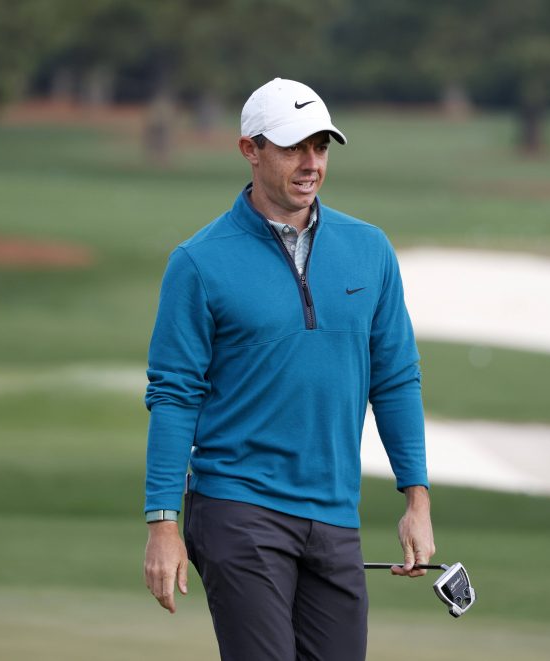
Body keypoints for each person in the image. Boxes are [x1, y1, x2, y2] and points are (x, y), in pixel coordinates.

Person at [143, 78, 434, 660]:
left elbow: (396, 378)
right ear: (250, 148)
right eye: (294, 147)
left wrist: (416, 499)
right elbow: (174, 396)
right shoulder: (199, 262)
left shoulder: (369, 249)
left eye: (321, 147)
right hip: (236, 506)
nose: (311, 164)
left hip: (332, 511)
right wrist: (162, 521)